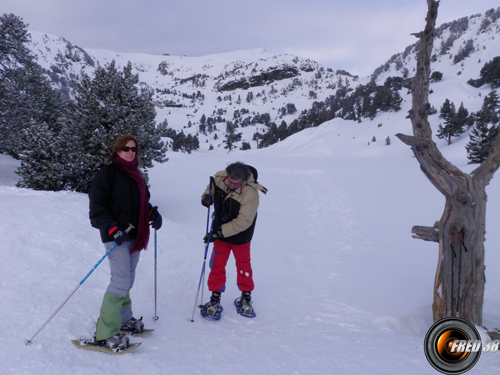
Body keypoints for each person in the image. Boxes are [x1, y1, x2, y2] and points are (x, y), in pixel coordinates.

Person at [87, 134, 162, 349]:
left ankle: (123, 318)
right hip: (116, 237)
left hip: (134, 236)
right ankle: (104, 333)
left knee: (126, 280)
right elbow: (97, 209)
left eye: (134, 149)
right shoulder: (107, 174)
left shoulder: (136, 175)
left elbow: (141, 204)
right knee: (120, 281)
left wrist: (152, 214)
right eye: (126, 148)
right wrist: (112, 228)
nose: (131, 152)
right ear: (117, 151)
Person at [200, 162, 267, 318]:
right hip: (219, 231)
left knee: (243, 266)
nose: (230, 184)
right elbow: (210, 189)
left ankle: (245, 297)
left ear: (243, 181)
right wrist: (206, 197)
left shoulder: (251, 194)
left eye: (235, 183)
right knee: (217, 265)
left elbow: (244, 221)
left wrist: (219, 233)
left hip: (240, 236)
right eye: (229, 180)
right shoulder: (220, 177)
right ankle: (215, 298)